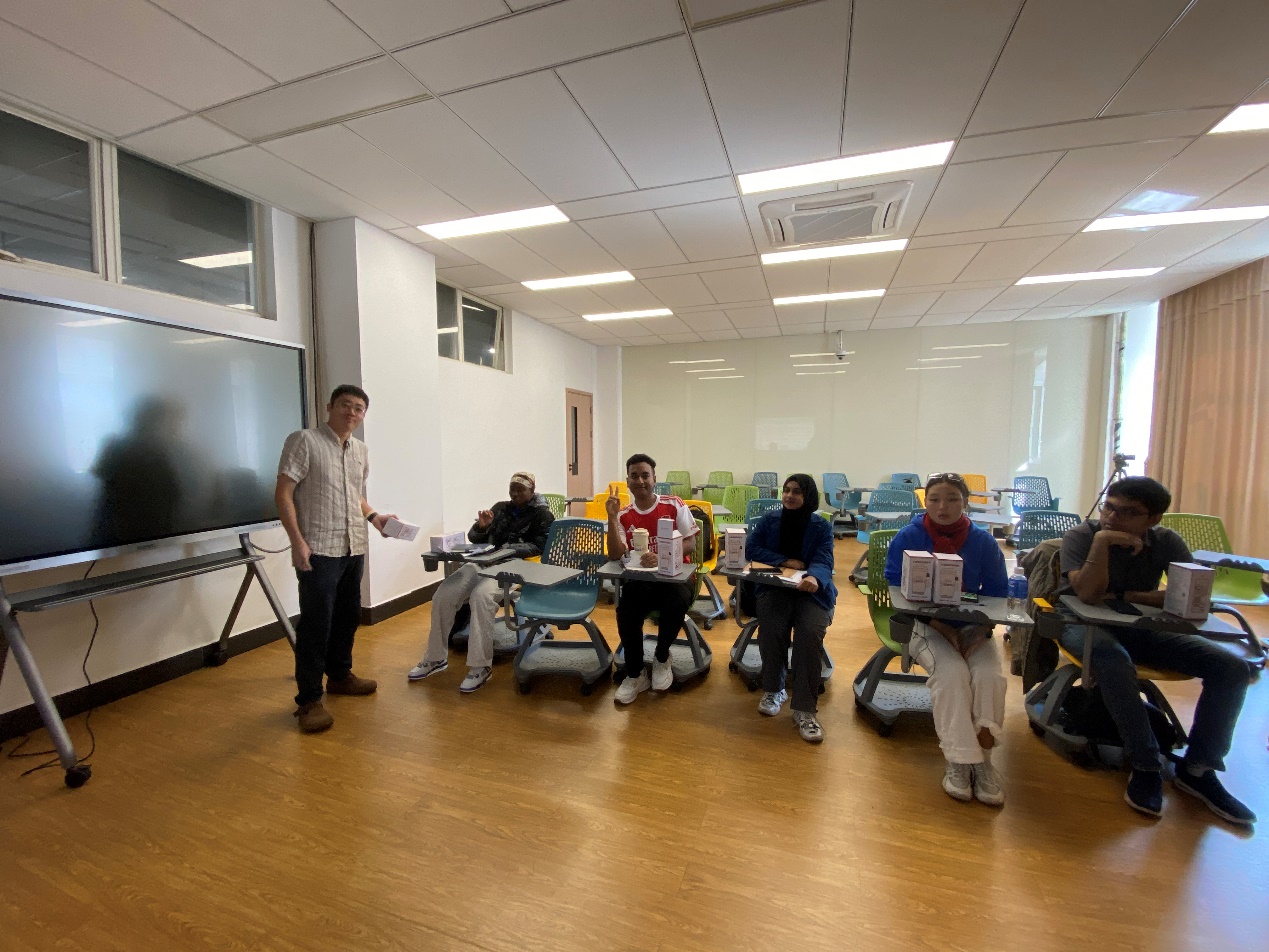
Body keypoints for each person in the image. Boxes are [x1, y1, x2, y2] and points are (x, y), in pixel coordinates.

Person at [1058, 476, 1255, 825]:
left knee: (1232, 667)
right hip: (1081, 624)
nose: (1112, 517)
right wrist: (1102, 542)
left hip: (1141, 626)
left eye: (1127, 512)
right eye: (1108, 507)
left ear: (1153, 519)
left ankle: (1198, 768)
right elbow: (1087, 594)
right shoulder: (1084, 536)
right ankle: (1146, 763)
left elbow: (1191, 596)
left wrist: (1126, 596)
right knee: (1113, 660)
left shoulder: (1167, 541)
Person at [275, 385, 395, 734]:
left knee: (347, 617)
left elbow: (353, 495)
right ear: (330, 407)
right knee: (316, 624)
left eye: (359, 408)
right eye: (345, 405)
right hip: (318, 549)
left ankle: (340, 676)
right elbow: (283, 493)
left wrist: (375, 517)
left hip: (352, 546)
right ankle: (309, 700)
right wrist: (297, 542)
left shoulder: (360, 450)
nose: (352, 413)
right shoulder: (304, 441)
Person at [884, 473, 1009, 805]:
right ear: (925, 501)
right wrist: (941, 626)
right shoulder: (909, 536)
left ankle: (983, 760)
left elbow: (997, 593)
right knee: (951, 673)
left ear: (965, 502)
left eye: (952, 499)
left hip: (973, 625)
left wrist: (980, 631)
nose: (943, 507)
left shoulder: (982, 542)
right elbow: (896, 587)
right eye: (935, 499)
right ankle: (959, 759)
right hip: (923, 624)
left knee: (988, 675)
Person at [408, 472, 555, 693]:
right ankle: (435, 657)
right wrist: (482, 527)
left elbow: (542, 546)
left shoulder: (542, 514)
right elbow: (476, 538)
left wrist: (508, 550)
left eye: (520, 489)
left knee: (482, 596)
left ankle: (480, 667)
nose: (515, 493)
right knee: (444, 594)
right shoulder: (500, 508)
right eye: (512, 489)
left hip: (517, 566)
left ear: (532, 490)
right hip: (484, 561)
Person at [745, 474, 837, 744]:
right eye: (786, 490)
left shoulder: (821, 526)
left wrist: (814, 576)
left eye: (797, 491)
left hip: (811, 592)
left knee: (809, 632)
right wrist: (784, 560)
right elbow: (752, 548)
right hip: (776, 588)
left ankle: (805, 709)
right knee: (772, 626)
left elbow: (825, 558)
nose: (789, 496)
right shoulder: (769, 520)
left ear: (808, 496)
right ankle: (775, 689)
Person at [606, 453, 699, 705]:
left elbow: (691, 542)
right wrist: (612, 517)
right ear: (628, 481)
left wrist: (663, 556)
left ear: (654, 479)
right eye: (634, 476)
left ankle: (661, 657)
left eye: (645, 475)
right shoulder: (624, 515)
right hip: (641, 581)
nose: (640, 480)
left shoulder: (674, 504)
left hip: (676, 577)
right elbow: (615, 554)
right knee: (626, 609)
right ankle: (635, 674)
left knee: (675, 602)